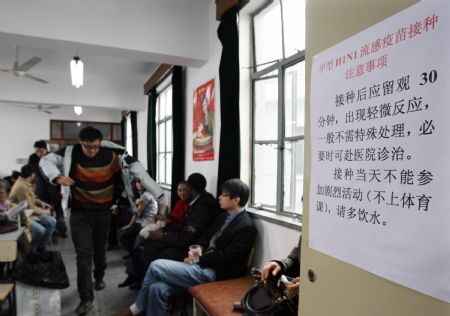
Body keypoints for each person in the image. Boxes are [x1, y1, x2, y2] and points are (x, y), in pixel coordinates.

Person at [39, 126, 166, 316]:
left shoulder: (113, 155)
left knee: (99, 249)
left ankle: (99, 275)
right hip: (79, 213)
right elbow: (46, 160)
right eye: (87, 147)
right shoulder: (70, 152)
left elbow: (139, 171)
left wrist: (160, 196)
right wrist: (56, 176)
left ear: (100, 144)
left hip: (103, 213)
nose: (91, 151)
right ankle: (86, 297)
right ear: (80, 143)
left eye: (95, 147)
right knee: (83, 254)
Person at [114, 178, 256, 316]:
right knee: (156, 288)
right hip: (203, 264)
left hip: (217, 273)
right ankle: (141, 309)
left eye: (223, 195)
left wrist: (199, 259)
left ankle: (136, 309)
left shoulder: (246, 226)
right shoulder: (224, 216)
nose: (219, 197)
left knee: (156, 265)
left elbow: (226, 256)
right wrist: (198, 248)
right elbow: (206, 236)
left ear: (236, 200)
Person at [119, 173, 221, 289]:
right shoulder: (199, 201)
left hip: (189, 247)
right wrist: (165, 231)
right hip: (180, 237)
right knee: (144, 245)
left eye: (186, 187)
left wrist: (163, 235)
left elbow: (186, 236)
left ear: (191, 189)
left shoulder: (203, 207)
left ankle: (149, 283)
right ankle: (138, 277)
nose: (184, 192)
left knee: (148, 249)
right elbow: (183, 225)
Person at [9, 164, 57, 252]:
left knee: (52, 221)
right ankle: (30, 251)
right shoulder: (21, 187)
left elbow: (31, 199)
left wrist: (41, 202)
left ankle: (41, 248)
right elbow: (28, 206)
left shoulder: (25, 183)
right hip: (22, 216)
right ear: (32, 175)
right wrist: (44, 212)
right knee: (40, 231)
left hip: (30, 212)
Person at [28, 140, 67, 237]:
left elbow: (60, 173)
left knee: (58, 209)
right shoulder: (33, 158)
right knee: (45, 209)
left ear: (46, 149)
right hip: (41, 187)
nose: (38, 154)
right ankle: (49, 230)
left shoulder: (52, 157)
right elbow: (30, 173)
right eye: (36, 151)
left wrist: (61, 189)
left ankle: (62, 230)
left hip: (54, 187)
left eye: (41, 151)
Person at [120, 179, 161, 254]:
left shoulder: (146, 195)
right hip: (145, 220)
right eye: (138, 182)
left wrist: (129, 225)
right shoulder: (148, 193)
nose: (139, 184)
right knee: (125, 211)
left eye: (141, 182)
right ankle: (132, 254)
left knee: (123, 237)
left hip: (145, 223)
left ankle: (133, 256)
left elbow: (137, 213)